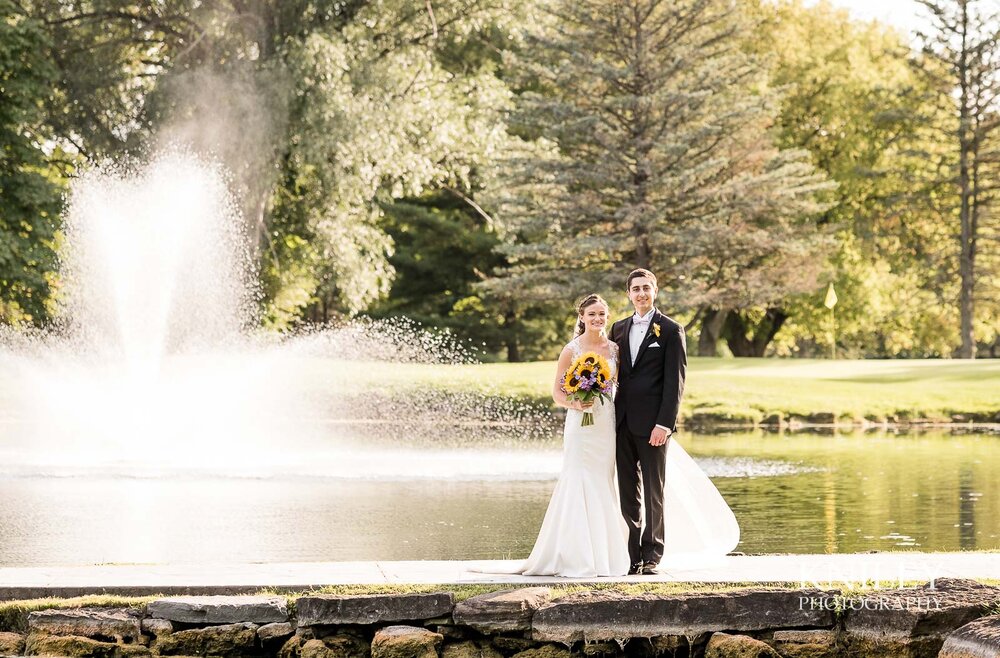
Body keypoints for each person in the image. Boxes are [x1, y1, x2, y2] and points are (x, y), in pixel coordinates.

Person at [611, 268, 740, 575]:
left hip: (654, 425)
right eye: (635, 288)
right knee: (628, 493)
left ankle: (653, 554)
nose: (641, 293)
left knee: (655, 491)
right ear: (628, 293)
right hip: (621, 422)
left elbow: (675, 383)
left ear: (654, 291)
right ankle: (632, 557)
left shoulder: (670, 330)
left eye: (646, 288)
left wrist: (665, 424)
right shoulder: (617, 328)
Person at [513, 293, 631, 577]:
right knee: (578, 478)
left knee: (603, 480)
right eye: (592, 314)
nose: (597, 319)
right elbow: (557, 392)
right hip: (580, 425)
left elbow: (620, 386)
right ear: (582, 317)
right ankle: (575, 555)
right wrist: (576, 402)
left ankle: (605, 555)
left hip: (605, 423)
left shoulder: (615, 349)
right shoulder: (571, 349)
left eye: (602, 314)